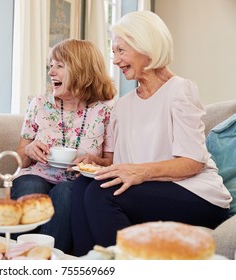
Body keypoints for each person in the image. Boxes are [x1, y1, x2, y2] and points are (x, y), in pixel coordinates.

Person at [71, 11, 233, 257]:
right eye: (113, 52)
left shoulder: (180, 91)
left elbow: (192, 162)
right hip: (150, 188)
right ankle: (91, 265)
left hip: (196, 193)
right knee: (83, 184)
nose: (115, 61)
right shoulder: (123, 106)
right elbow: (124, 164)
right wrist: (100, 164)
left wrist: (140, 172)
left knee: (101, 193)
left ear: (146, 47)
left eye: (121, 51)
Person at [11, 39, 116, 253]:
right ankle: (15, 259)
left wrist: (94, 161)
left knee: (66, 193)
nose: (52, 72)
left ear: (81, 70)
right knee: (31, 186)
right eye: (51, 65)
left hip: (76, 182)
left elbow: (111, 163)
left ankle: (48, 263)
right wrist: (29, 150)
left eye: (59, 66)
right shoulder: (39, 104)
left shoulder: (104, 112)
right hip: (36, 174)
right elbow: (18, 159)